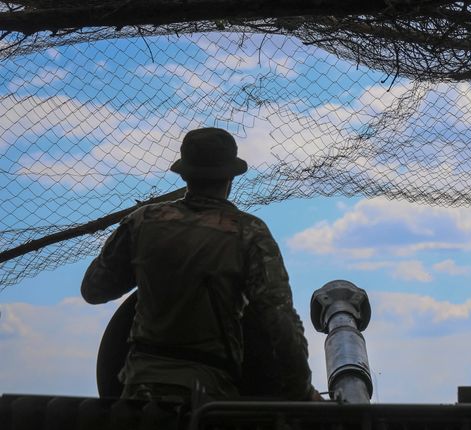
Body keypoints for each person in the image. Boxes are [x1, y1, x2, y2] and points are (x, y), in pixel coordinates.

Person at [81, 127, 318, 401]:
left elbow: (94, 290)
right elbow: (279, 319)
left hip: (138, 394)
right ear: (230, 176)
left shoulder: (142, 221)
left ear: (184, 174)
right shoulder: (248, 233)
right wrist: (302, 392)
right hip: (210, 398)